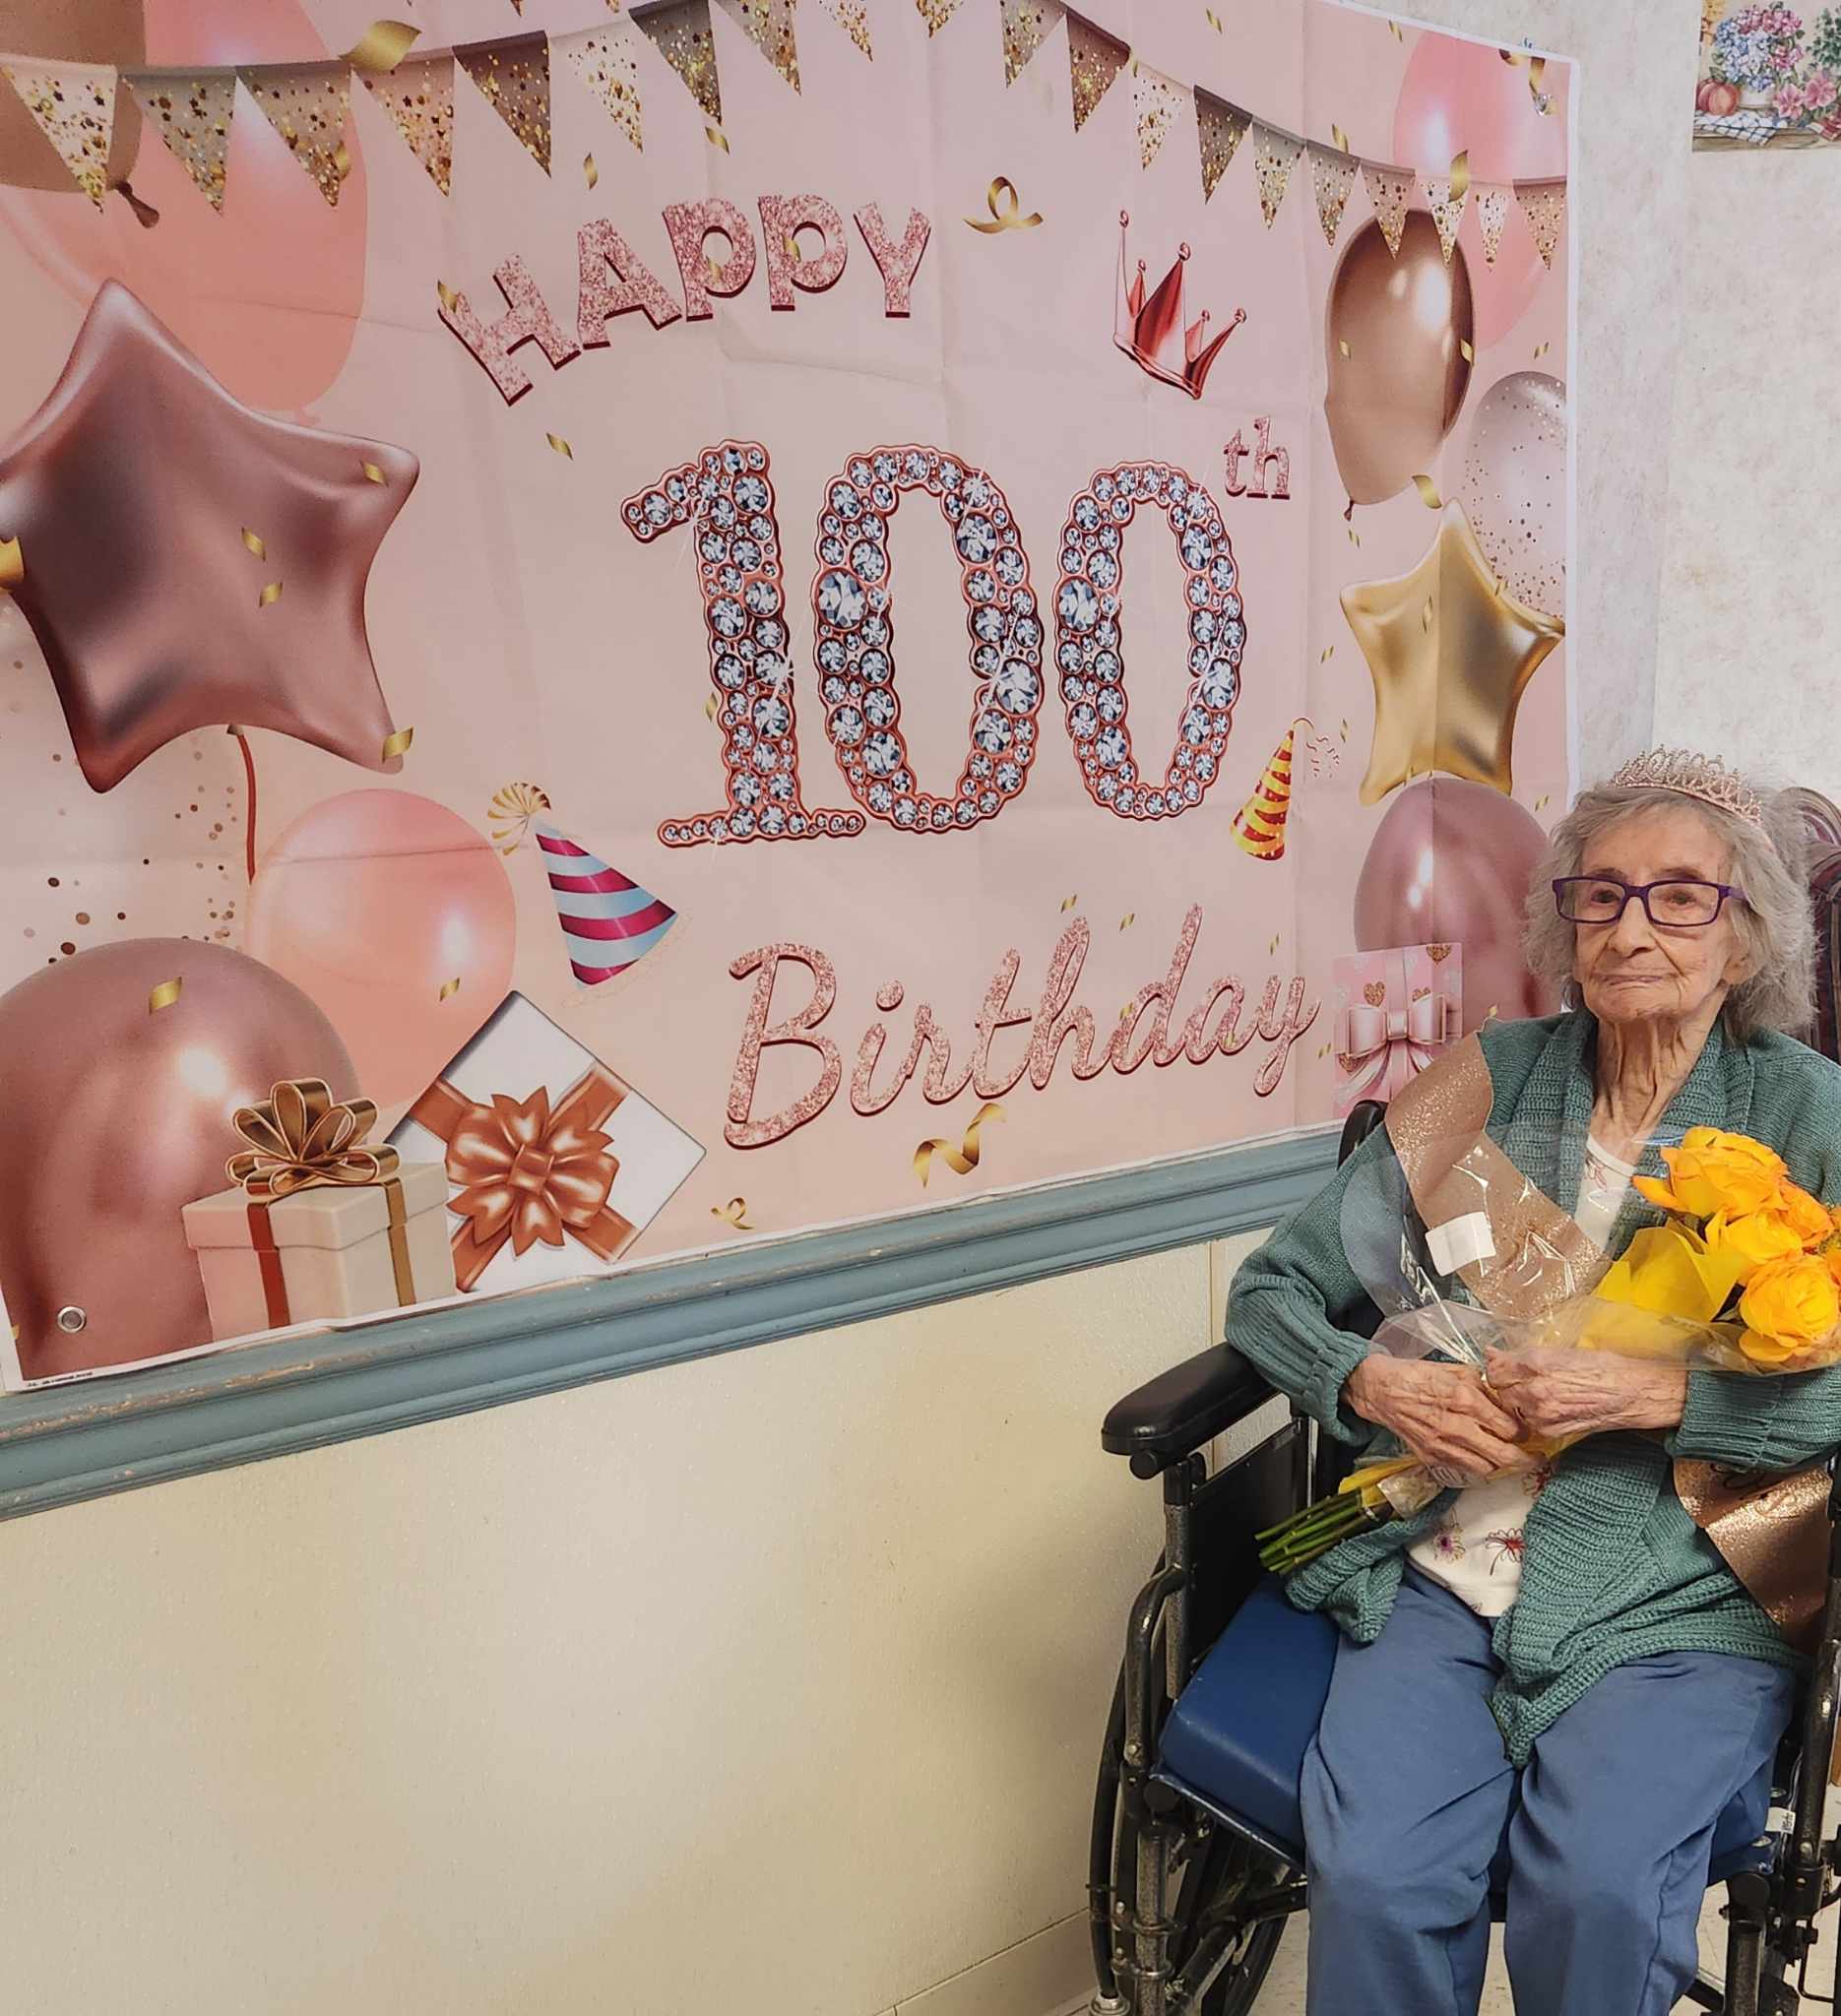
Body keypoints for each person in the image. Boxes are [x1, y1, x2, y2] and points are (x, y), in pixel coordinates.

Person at [1228, 749, 1841, 2016]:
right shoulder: (1491, 1077)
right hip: (1441, 1556)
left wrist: (1660, 1399)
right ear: (1562, 920)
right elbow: (1269, 1294)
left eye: (1682, 896)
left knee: (1599, 1889)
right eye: (1599, 892)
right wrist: (1373, 1387)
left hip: (1684, 1582)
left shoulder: (1808, 1112)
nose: (1632, 926)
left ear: (1747, 939)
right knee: (1381, 1880)